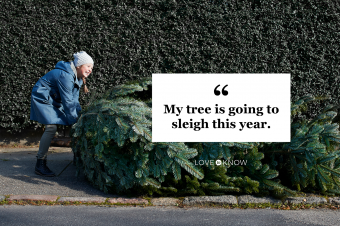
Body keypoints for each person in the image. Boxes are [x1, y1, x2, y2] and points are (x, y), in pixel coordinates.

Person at [30, 51, 94, 177]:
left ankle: (78, 157)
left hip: (54, 99)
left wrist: (80, 116)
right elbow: (68, 101)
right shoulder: (65, 75)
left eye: (91, 67)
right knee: (51, 127)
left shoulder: (78, 78)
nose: (90, 70)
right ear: (79, 66)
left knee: (74, 120)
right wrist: (74, 120)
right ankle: (40, 163)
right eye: (88, 66)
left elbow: (74, 101)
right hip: (43, 98)